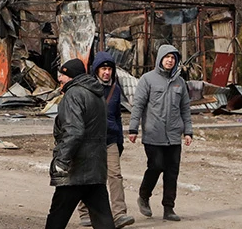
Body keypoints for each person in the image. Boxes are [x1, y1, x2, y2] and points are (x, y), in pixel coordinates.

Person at [44, 59, 115, 229]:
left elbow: (74, 131)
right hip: (96, 167)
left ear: (71, 77)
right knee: (103, 220)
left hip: (76, 169)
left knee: (57, 218)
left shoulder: (73, 94)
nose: (60, 79)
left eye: (62, 75)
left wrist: (61, 161)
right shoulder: (97, 94)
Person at [128, 45, 192, 222]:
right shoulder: (147, 79)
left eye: (173, 57)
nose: (170, 60)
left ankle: (169, 208)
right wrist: (133, 129)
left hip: (173, 137)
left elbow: (185, 109)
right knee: (156, 166)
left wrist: (188, 131)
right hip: (153, 134)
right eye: (167, 57)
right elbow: (138, 105)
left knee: (172, 172)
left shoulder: (180, 83)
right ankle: (144, 196)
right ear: (160, 59)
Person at [78, 52, 135, 228]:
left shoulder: (115, 89)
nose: (107, 72)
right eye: (103, 68)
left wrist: (120, 140)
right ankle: (84, 211)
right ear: (96, 70)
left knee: (115, 175)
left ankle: (119, 214)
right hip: (92, 140)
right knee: (90, 176)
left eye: (109, 69)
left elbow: (117, 116)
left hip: (110, 139)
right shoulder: (87, 88)